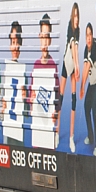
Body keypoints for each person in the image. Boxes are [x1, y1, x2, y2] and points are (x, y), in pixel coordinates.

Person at [30, 14, 60, 149]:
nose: (44, 41)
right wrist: (31, 100)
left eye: (47, 37)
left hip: (48, 133)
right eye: (42, 37)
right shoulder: (35, 66)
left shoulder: (53, 66)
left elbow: (57, 101)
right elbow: (31, 100)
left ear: (50, 40)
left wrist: (55, 117)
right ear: (39, 37)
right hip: (38, 132)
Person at [79, 22, 96, 156]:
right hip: (91, 82)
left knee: (94, 109)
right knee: (86, 107)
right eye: (86, 35)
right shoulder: (85, 49)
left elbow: (88, 66)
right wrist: (83, 85)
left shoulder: (94, 48)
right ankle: (91, 135)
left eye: (90, 35)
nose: (88, 38)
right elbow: (84, 68)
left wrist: (82, 86)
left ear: (92, 35)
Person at [58, 3, 81, 153]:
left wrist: (77, 65)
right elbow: (72, 47)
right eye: (75, 16)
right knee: (60, 98)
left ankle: (71, 137)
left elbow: (77, 49)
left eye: (78, 16)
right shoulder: (69, 27)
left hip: (73, 62)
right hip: (68, 62)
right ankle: (56, 132)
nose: (77, 19)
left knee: (73, 100)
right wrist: (77, 66)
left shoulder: (78, 30)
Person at [3, 21, 29, 146]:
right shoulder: (5, 72)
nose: (15, 47)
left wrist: (25, 99)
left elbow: (28, 112)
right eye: (13, 42)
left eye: (17, 43)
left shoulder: (23, 73)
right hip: (8, 130)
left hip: (19, 131)